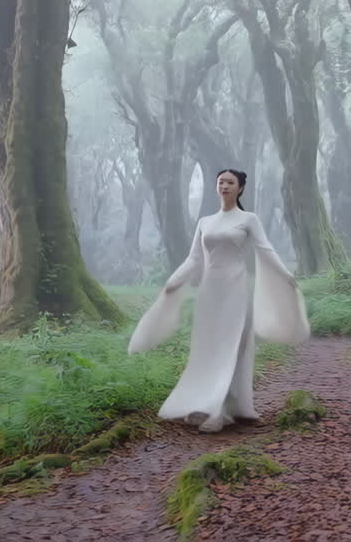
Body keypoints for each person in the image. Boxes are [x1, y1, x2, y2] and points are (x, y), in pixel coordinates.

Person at [128, 169, 309, 433]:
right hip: (209, 292)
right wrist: (174, 282)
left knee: (232, 346)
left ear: (240, 188)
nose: (224, 185)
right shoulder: (205, 221)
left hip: (236, 289)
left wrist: (286, 275)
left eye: (230, 182)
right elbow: (194, 259)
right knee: (208, 348)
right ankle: (206, 401)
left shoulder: (248, 219)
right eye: (221, 182)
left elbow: (266, 250)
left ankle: (222, 410)